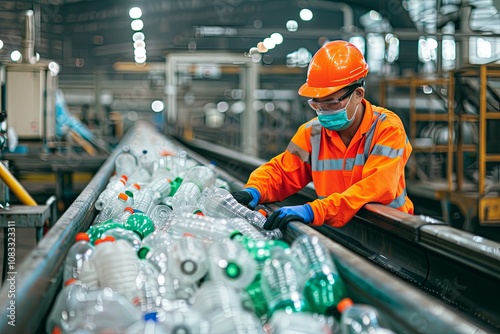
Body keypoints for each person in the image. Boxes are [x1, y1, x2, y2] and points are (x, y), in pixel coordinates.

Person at [232, 40, 414, 233]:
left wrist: (314, 210)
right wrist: (254, 189)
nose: (323, 112)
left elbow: (374, 188)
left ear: (358, 94)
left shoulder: (387, 129)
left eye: (331, 103)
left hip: (391, 236)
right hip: (340, 231)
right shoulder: (313, 133)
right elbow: (283, 172)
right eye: (317, 105)